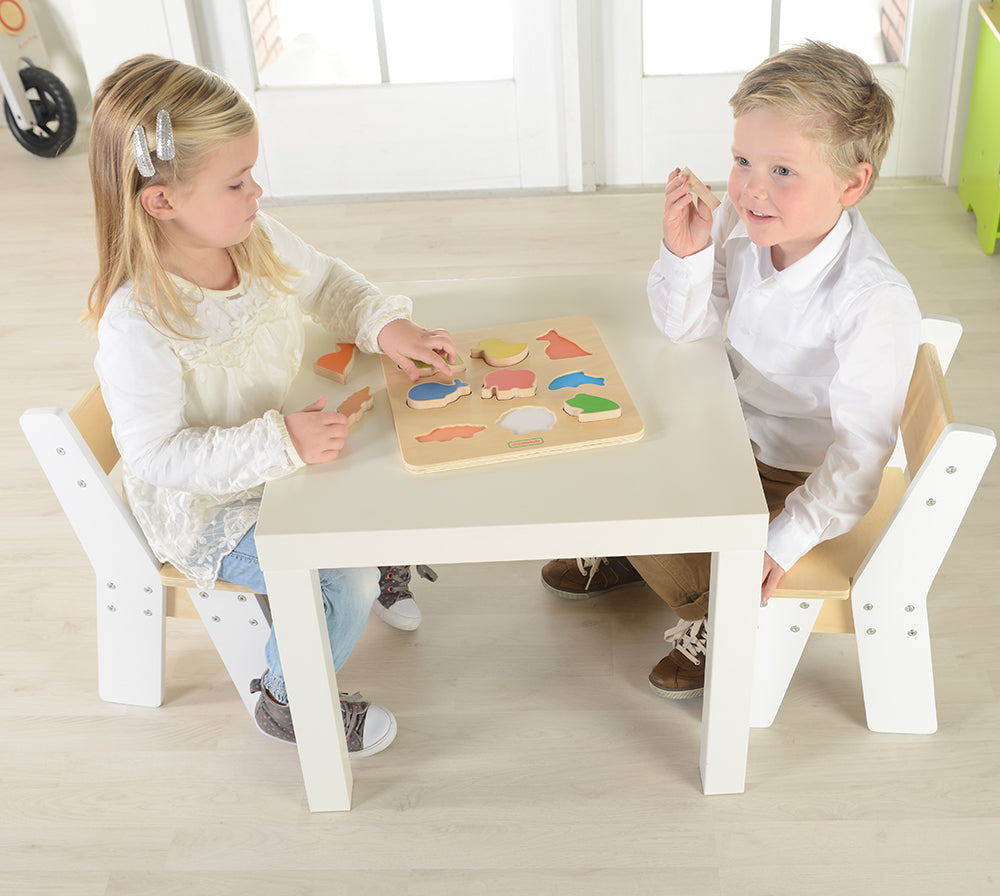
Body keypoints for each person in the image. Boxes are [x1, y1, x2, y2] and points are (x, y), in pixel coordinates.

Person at [86, 54, 457, 753]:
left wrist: (383, 323)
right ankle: (290, 701)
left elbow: (325, 285)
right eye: (236, 180)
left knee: (398, 451)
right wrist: (281, 443)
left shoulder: (250, 237)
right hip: (206, 509)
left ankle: (380, 555)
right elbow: (158, 455)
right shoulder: (137, 322)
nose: (258, 190)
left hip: (278, 445)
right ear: (162, 202)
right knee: (335, 583)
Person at [542, 41, 922, 699]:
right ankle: (649, 556)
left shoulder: (870, 299)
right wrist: (685, 252)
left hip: (801, 476)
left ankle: (715, 610)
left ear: (852, 183)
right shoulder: (743, 225)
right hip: (731, 427)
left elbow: (860, 456)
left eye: (782, 171)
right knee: (602, 457)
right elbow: (685, 326)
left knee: (646, 521)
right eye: (743, 160)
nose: (750, 188)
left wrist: (785, 539)